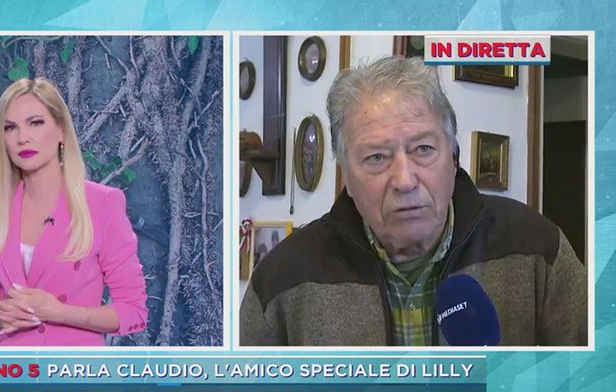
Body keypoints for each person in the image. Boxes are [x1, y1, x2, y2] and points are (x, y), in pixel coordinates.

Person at [240, 56, 587, 347]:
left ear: (454, 157)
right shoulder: (281, 280)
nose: (405, 181)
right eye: (376, 157)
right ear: (346, 175)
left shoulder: (537, 248)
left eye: (423, 149)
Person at [0, 78, 147, 346]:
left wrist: (60, 313)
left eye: (35, 123)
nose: (22, 138)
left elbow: (134, 311)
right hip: (8, 366)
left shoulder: (102, 204)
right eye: (10, 127)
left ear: (61, 129)